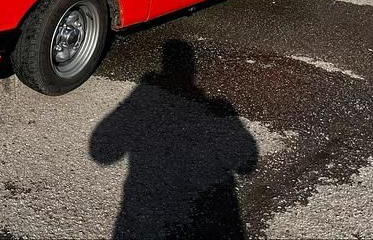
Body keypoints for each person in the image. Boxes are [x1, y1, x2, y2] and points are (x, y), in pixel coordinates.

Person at [90, 40, 258, 239]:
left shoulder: (144, 98)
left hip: (143, 217)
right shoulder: (218, 108)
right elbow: (247, 163)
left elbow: (102, 153)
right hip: (203, 217)